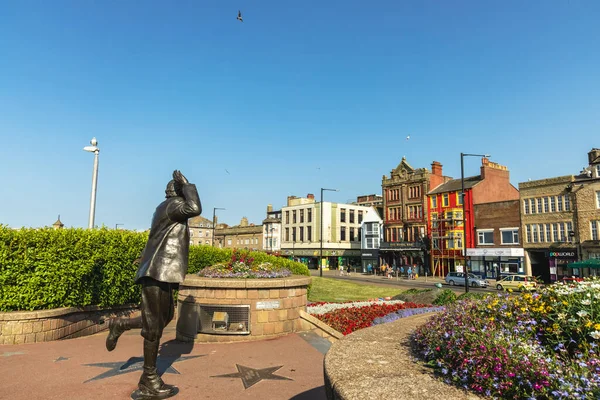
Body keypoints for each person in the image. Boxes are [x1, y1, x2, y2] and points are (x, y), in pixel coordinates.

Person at [105, 170, 201, 397]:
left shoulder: (167, 207)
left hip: (163, 272)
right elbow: (195, 208)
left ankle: (120, 324)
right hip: (157, 272)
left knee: (162, 318)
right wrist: (188, 185)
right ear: (178, 193)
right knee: (153, 326)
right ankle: (149, 379)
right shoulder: (174, 205)